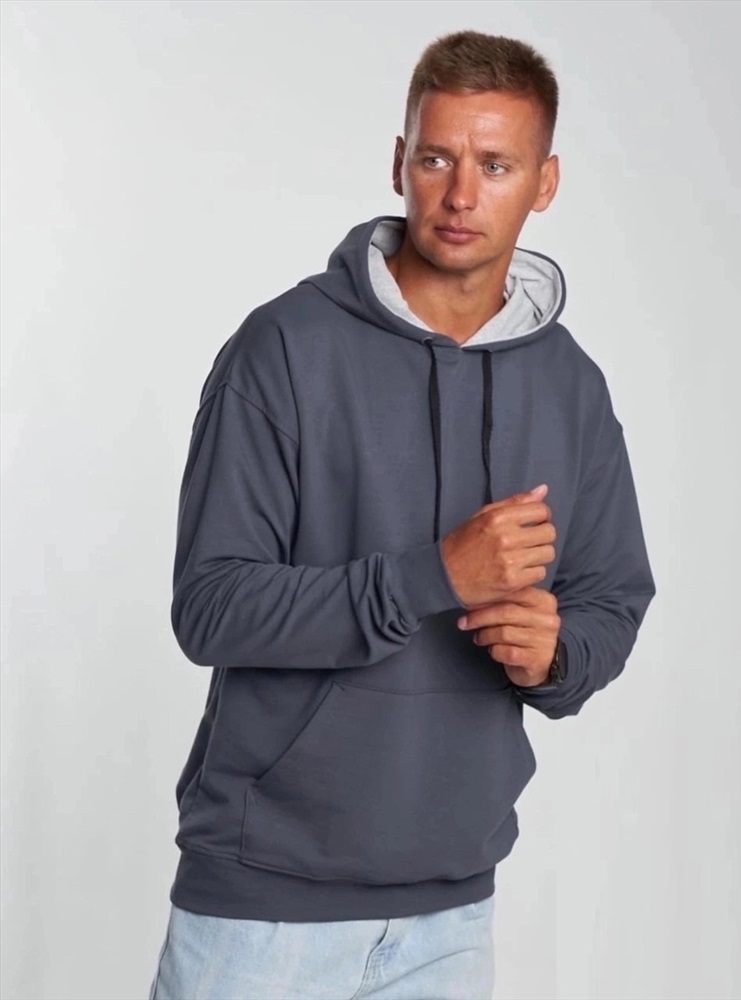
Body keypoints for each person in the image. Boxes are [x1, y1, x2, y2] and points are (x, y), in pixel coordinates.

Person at [148, 28, 656, 1000]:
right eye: (436, 158)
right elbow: (209, 607)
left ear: (544, 183)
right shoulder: (284, 350)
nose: (461, 194)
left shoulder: (570, 386)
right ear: (399, 164)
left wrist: (556, 654)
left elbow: (612, 597)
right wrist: (433, 576)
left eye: (495, 165)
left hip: (450, 918)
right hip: (261, 912)